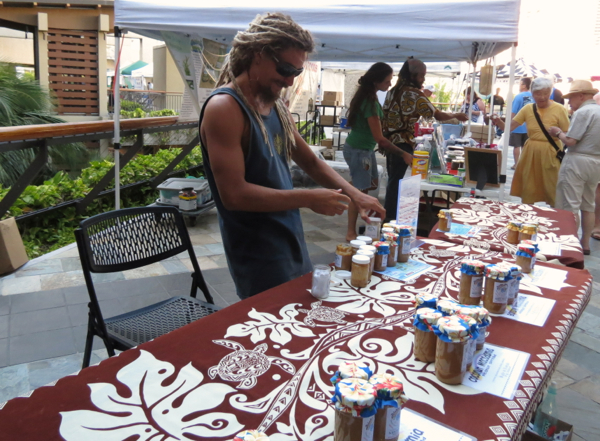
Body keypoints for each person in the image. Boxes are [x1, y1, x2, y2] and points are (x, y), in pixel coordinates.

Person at [199, 13, 384, 299]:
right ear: (258, 55)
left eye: (296, 72)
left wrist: (355, 195)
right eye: (285, 68)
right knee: (271, 324)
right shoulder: (225, 108)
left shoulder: (277, 107)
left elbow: (309, 160)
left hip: (289, 236)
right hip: (256, 249)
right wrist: (308, 198)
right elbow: (234, 195)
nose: (288, 80)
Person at [381, 58, 468, 222]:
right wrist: (456, 115)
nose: (424, 80)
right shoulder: (414, 94)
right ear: (413, 75)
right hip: (402, 142)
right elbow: (439, 115)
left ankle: (389, 217)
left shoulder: (393, 91)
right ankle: (390, 220)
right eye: (422, 76)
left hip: (390, 142)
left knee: (393, 181)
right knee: (396, 183)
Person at [343, 62, 411, 241]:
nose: (390, 84)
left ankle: (350, 192)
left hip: (363, 149)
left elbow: (376, 136)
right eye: (388, 81)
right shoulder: (370, 102)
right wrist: (403, 154)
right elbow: (380, 138)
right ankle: (351, 231)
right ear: (376, 81)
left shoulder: (367, 96)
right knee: (360, 191)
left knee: (371, 183)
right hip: (359, 150)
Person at [492, 77, 570, 207]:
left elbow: (567, 133)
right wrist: (497, 121)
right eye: (538, 93)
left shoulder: (560, 109)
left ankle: (554, 218)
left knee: (552, 188)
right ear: (532, 93)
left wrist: (558, 133)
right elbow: (509, 127)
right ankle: (527, 218)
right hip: (531, 151)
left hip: (551, 151)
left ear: (550, 93)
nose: (542, 97)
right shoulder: (528, 108)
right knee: (529, 186)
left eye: (546, 93)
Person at [547, 80, 600, 255]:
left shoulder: (583, 112)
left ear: (581, 96)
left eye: (571, 98)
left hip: (578, 159)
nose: (570, 102)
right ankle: (584, 243)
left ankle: (568, 245)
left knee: (569, 204)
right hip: (596, 162)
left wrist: (557, 132)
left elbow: (571, 140)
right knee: (588, 204)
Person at [509, 77, 534, 169]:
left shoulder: (519, 96)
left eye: (520, 84)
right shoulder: (534, 96)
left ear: (524, 85)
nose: (519, 86)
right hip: (530, 126)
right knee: (525, 146)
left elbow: (513, 112)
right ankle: (524, 164)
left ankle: (516, 164)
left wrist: (510, 124)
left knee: (516, 146)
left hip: (517, 125)